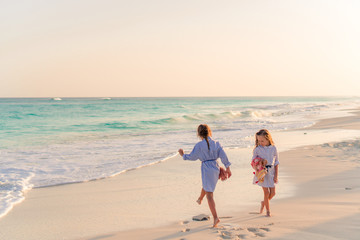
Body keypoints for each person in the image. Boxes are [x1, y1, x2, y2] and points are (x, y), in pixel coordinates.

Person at [178, 124, 231, 227]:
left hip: (206, 168)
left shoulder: (199, 145)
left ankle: (216, 218)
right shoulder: (216, 143)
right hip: (215, 167)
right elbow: (223, 156)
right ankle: (200, 198)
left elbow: (192, 157)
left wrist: (183, 155)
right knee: (207, 186)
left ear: (198, 134)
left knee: (210, 195)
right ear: (209, 131)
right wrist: (227, 167)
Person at [252, 129, 279, 217]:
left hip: (271, 172)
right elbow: (253, 161)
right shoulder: (257, 149)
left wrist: (276, 175)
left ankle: (264, 202)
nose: (260, 142)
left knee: (273, 193)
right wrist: (258, 165)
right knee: (266, 193)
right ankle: (268, 211)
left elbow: (276, 162)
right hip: (262, 173)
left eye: (262, 141)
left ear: (268, 139)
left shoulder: (273, 148)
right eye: (259, 141)